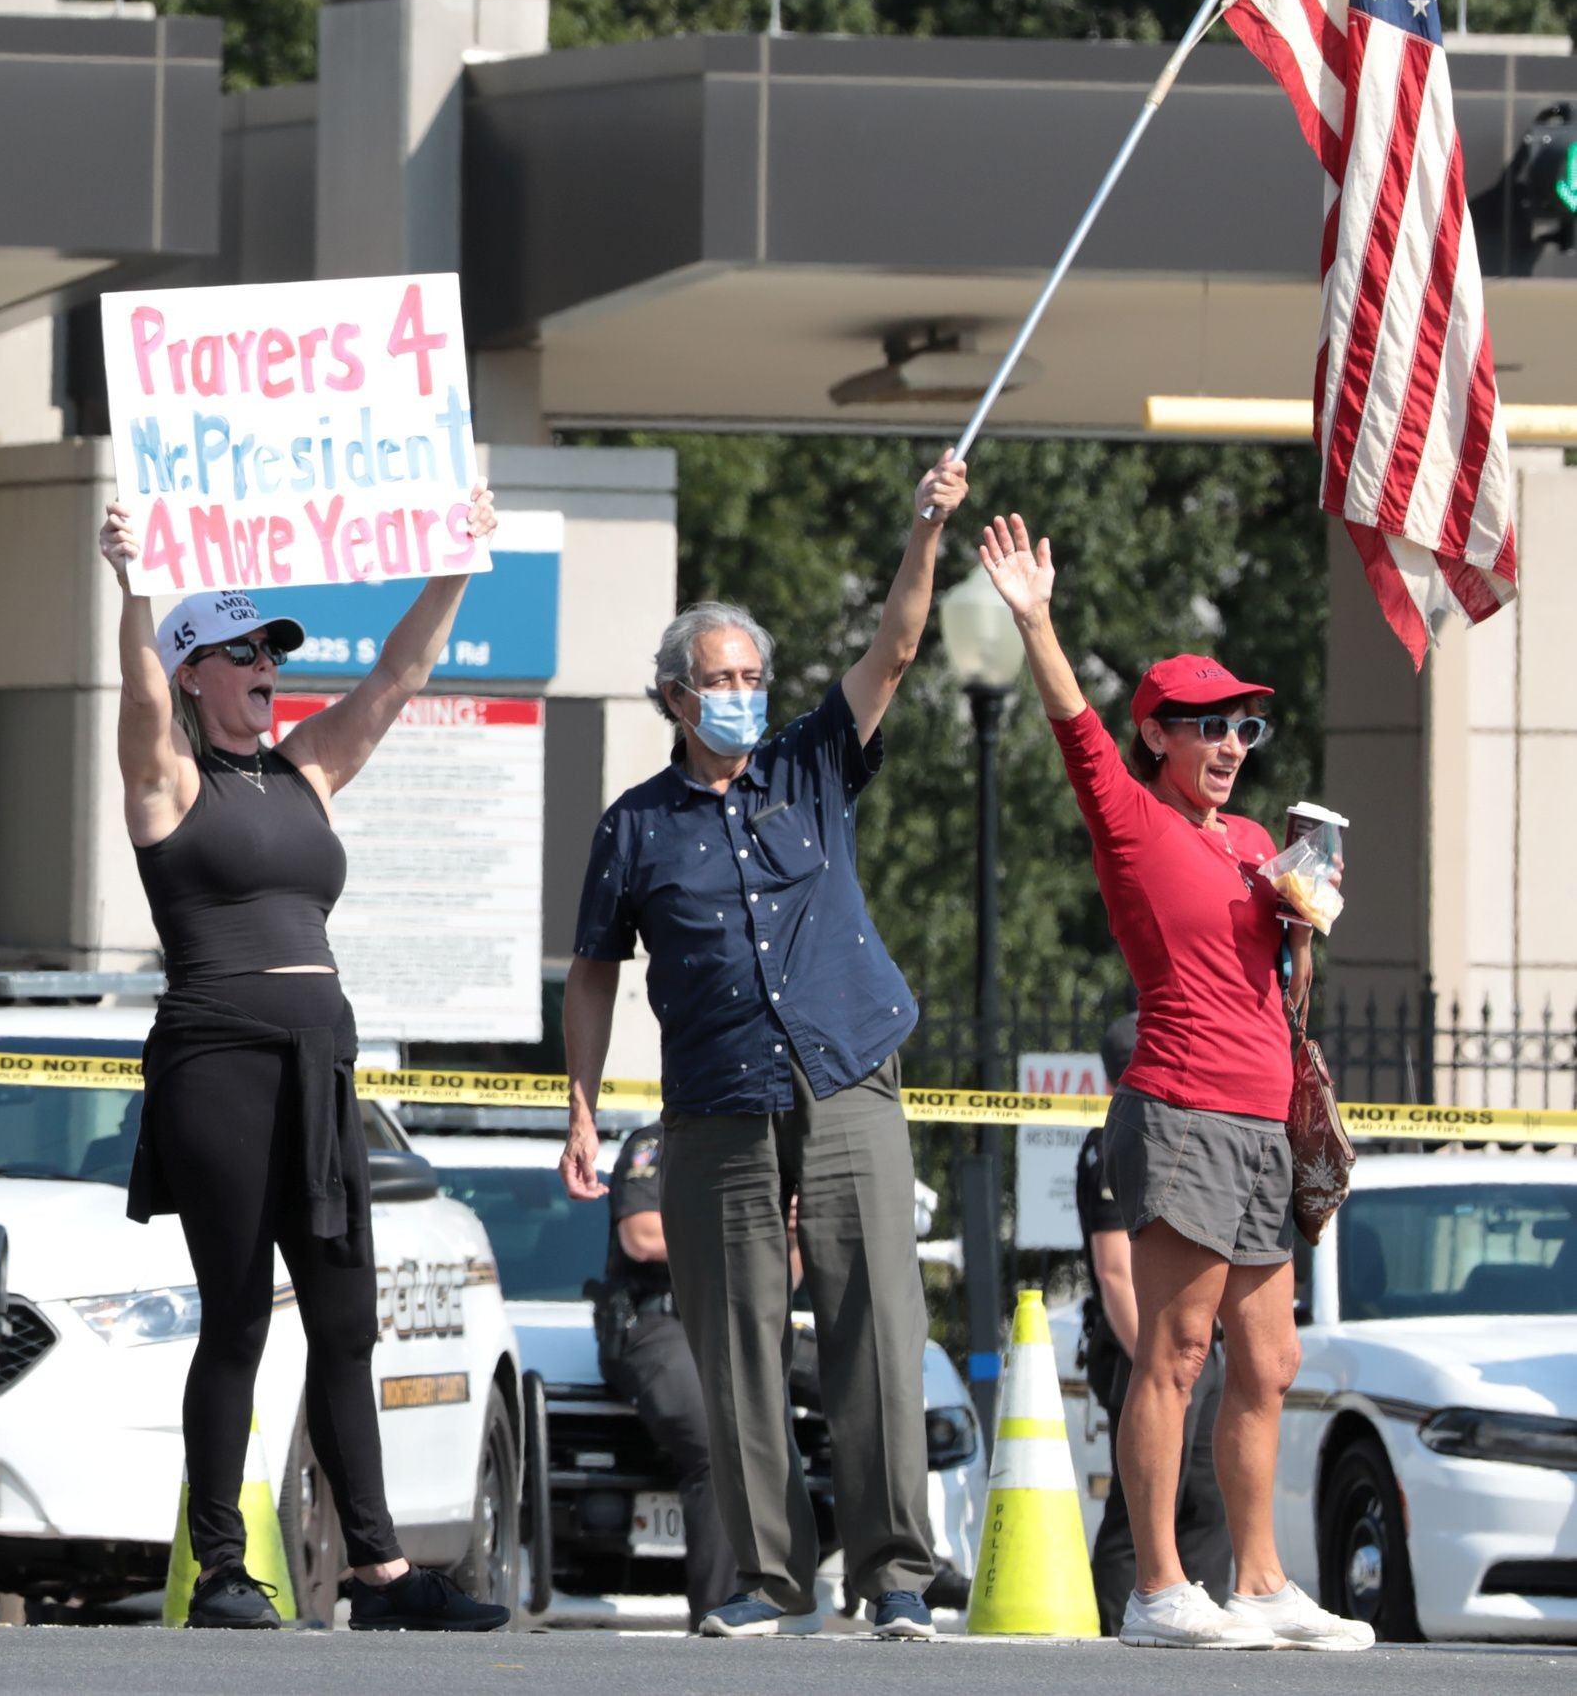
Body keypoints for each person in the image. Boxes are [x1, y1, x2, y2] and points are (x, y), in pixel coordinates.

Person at [561, 451, 966, 1639]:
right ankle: (764, 1579)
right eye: (717, 678)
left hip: (844, 1072)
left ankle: (892, 1571)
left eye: (751, 673)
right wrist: (582, 1106)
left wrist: (921, 531)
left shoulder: (808, 763)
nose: (740, 691)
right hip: (713, 1100)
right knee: (730, 1342)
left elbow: (892, 646)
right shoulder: (630, 824)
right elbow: (593, 973)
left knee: (874, 1322)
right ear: (674, 697)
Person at [101, 491, 514, 1634]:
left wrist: (457, 564)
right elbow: (137, 696)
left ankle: (378, 1573)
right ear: (195, 673)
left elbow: (394, 678)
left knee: (343, 1319)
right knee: (236, 1315)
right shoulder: (167, 781)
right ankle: (225, 1564)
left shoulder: (300, 771)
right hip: (217, 1062)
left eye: (268, 650)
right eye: (238, 652)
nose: (262, 666)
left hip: (318, 1067)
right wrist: (131, 585)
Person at [974, 513, 1367, 1651]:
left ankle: (1257, 1581)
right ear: (1155, 734)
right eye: (1205, 724)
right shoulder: (1132, 817)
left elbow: (1273, 978)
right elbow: (1069, 726)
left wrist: (1302, 932)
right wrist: (1034, 617)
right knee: (1176, 1348)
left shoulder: (1253, 840)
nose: (1231, 740)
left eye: (1241, 724)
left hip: (1260, 1117)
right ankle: (1155, 1586)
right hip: (1181, 1103)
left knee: (1272, 1356)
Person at [1079, 1011, 1232, 1632]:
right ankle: (1126, 1625)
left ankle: (1205, 1615)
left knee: (1205, 1500)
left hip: (1196, 1349)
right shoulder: (1119, 1138)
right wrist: (1160, 1366)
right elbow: (1115, 1273)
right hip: (1145, 1351)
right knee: (1142, 1507)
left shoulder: (1182, 1131)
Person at [592, 1122, 740, 1627]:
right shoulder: (658, 1142)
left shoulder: (767, 1141)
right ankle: (722, 1617)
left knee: (864, 1391)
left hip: (735, 1323)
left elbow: (786, 1270)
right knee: (717, 1441)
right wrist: (743, 1230)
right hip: (657, 1322)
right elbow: (642, 1234)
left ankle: (902, 1576)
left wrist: (788, 1232)